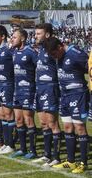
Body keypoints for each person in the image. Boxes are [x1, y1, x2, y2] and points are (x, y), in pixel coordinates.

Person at [45, 37, 89, 174]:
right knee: (68, 127)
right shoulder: (58, 56)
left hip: (78, 95)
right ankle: (70, 161)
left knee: (79, 127)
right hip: (64, 96)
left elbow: (89, 68)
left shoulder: (76, 53)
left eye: (54, 54)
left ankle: (83, 163)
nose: (54, 57)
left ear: (60, 47)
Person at [32, 23, 62, 167]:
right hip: (40, 89)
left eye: (38, 33)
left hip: (50, 89)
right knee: (43, 123)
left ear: (47, 35)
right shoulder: (40, 49)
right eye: (35, 33)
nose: (35, 36)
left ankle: (56, 157)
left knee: (52, 123)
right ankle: (47, 155)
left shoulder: (53, 49)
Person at [9, 28, 38, 159]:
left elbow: (40, 68)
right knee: (19, 120)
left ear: (22, 38)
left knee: (28, 119)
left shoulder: (30, 52)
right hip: (17, 90)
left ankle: (33, 150)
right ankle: (22, 148)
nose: (12, 39)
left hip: (28, 90)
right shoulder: (14, 52)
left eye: (14, 37)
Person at [0, 25, 16, 154]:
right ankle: (6, 143)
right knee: (1, 114)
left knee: (8, 114)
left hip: (7, 85)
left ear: (3, 37)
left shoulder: (9, 50)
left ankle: (11, 144)